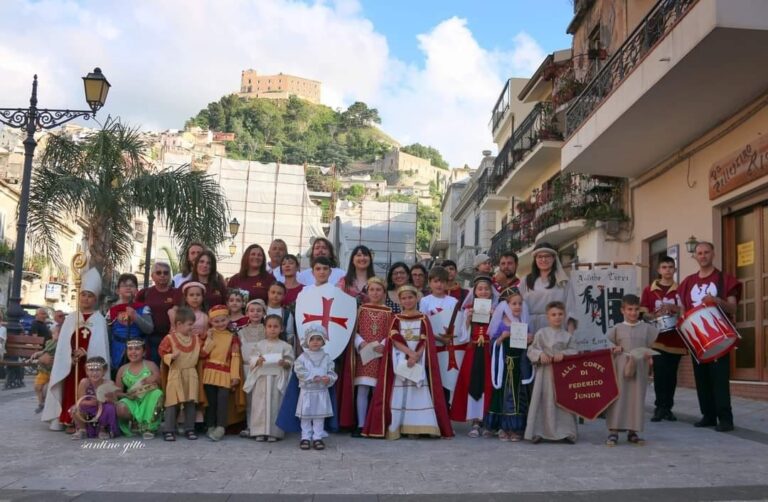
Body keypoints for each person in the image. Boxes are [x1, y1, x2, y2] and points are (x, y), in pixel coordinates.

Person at [363, 285, 453, 440]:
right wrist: (409, 354)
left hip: (420, 357)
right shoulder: (396, 319)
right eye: (404, 298)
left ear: (416, 298)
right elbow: (395, 339)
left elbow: (426, 339)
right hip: (402, 358)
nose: (407, 301)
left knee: (418, 392)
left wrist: (416, 355)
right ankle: (400, 426)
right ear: (399, 300)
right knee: (400, 393)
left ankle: (419, 427)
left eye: (410, 297)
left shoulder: (423, 318)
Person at [678, 241, 741, 432]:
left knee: (719, 379)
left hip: (718, 335)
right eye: (699, 253)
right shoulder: (688, 282)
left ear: (713, 254)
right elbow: (683, 310)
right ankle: (708, 415)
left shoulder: (724, 279)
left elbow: (733, 308)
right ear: (695, 256)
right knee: (702, 378)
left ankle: (725, 418)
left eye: (706, 252)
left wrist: (717, 300)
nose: (703, 256)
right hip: (696, 336)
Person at [42, 268, 110, 433]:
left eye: (90, 296)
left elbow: (100, 346)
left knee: (88, 391)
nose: (86, 298)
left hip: (89, 367)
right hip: (72, 366)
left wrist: (88, 354)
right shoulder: (71, 318)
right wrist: (70, 356)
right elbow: (64, 344)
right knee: (70, 390)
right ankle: (69, 419)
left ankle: (86, 420)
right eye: (83, 294)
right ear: (79, 296)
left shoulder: (99, 320)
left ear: (95, 299)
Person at [339, 276, 391, 434]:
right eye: (372, 289)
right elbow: (354, 330)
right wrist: (360, 343)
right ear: (367, 291)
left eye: (378, 290)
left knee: (378, 391)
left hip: (381, 355)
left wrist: (383, 344)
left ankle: (375, 424)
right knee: (362, 389)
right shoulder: (360, 310)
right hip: (363, 356)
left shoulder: (389, 312)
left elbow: (391, 332)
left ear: (384, 292)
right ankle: (361, 424)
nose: (375, 293)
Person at [605, 295, 658, 446]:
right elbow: (608, 345)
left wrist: (649, 355)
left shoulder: (647, 328)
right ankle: (613, 431)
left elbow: (649, 347)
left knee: (636, 398)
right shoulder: (616, 328)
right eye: (629, 309)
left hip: (640, 366)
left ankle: (632, 431)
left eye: (636, 309)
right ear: (623, 310)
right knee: (618, 397)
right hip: (621, 365)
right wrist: (614, 348)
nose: (633, 313)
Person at [524, 301, 578, 444]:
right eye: (553, 314)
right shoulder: (542, 333)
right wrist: (540, 354)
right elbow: (531, 350)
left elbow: (575, 351)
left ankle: (566, 431)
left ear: (564, 316)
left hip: (563, 374)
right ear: (548, 317)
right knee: (543, 400)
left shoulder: (567, 336)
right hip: (545, 374)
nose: (557, 317)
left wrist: (564, 354)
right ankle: (538, 431)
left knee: (563, 401)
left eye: (560, 314)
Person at [640, 255, 686, 422]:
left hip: (675, 338)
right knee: (660, 373)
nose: (667, 270)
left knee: (672, 375)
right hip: (656, 337)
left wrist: (674, 308)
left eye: (670, 267)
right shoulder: (649, 290)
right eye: (664, 267)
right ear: (659, 270)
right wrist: (652, 315)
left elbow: (686, 311)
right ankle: (659, 407)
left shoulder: (681, 289)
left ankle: (668, 408)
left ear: (674, 269)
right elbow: (643, 312)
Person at [451, 276, 495, 434]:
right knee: (472, 382)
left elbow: (498, 332)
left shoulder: (496, 309)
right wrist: (468, 321)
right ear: (475, 291)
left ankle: (488, 420)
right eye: (480, 289)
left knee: (489, 383)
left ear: (491, 292)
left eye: (486, 289)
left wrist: (493, 317)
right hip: (473, 349)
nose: (483, 292)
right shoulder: (468, 309)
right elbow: (463, 336)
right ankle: (475, 421)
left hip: (489, 352)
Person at [486, 287, 531, 442]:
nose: (517, 306)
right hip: (504, 365)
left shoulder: (523, 322)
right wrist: (502, 338)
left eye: (520, 303)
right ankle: (503, 427)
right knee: (503, 395)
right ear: (507, 305)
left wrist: (530, 339)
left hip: (519, 365)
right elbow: (492, 344)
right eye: (514, 304)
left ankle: (516, 428)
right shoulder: (502, 323)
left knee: (518, 395)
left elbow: (528, 344)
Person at [243, 314, 294, 441]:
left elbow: (290, 361)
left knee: (275, 405)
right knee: (259, 406)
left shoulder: (285, 346)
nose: (272, 329)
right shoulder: (260, 345)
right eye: (269, 326)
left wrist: (285, 363)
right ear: (265, 328)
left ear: (281, 329)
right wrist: (257, 360)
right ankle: (259, 431)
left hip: (276, 379)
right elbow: (252, 360)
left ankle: (274, 432)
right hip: (262, 379)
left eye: (275, 326)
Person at [200, 305, 245, 441]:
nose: (220, 324)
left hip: (225, 372)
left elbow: (235, 357)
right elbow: (203, 353)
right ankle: (210, 425)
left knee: (223, 400)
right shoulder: (209, 334)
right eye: (216, 321)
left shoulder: (233, 337)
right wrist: (209, 339)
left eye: (223, 320)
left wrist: (235, 376)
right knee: (211, 401)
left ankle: (221, 426)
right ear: (211, 322)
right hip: (209, 372)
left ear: (228, 319)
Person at [419, 266, 460, 409]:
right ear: (429, 282)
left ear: (447, 283)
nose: (439, 285)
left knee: (445, 381)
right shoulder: (425, 301)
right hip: (431, 346)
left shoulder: (453, 301)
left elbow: (456, 323)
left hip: (447, 347)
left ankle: (444, 416)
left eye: (442, 281)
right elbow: (423, 324)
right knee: (431, 380)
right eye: (436, 281)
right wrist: (437, 337)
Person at [159, 307, 201, 441]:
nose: (192, 327)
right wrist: (171, 356)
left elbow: (203, 353)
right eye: (190, 324)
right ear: (179, 324)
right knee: (171, 402)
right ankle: (169, 429)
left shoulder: (196, 339)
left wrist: (210, 340)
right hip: (175, 373)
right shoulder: (169, 338)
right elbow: (161, 352)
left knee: (190, 401)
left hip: (191, 373)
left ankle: (189, 428)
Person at [294, 325, 337, 450]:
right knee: (306, 416)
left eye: (319, 339)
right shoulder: (303, 357)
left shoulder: (326, 357)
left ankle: (317, 437)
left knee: (319, 416)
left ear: (323, 341)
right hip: (307, 392)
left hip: (321, 392)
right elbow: (299, 371)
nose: (315, 342)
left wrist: (328, 378)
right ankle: (305, 437)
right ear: (308, 341)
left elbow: (331, 371)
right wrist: (313, 377)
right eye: (312, 339)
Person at [114, 338, 164, 439]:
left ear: (144, 352)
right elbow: (117, 392)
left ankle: (149, 427)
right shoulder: (122, 369)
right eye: (130, 349)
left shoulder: (151, 365)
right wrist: (126, 395)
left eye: (137, 349)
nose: (133, 352)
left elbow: (161, 384)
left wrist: (151, 380)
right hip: (133, 400)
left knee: (157, 393)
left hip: (149, 399)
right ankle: (135, 423)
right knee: (120, 407)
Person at [519, 243, 573, 333]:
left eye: (547, 256)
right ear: (535, 259)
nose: (543, 259)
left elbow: (570, 310)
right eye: (539, 257)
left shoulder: (563, 281)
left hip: (555, 328)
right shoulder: (526, 280)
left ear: (553, 258)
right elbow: (519, 307)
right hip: (530, 329)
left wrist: (570, 335)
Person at [107, 273, 153, 375]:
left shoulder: (144, 308)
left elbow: (149, 329)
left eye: (131, 285)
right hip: (117, 351)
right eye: (124, 285)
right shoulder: (112, 311)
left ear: (136, 290)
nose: (128, 287)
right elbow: (107, 334)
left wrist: (135, 315)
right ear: (118, 290)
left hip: (138, 350)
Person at [136, 261, 181, 365]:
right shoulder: (144, 293)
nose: (162, 275)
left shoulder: (177, 293)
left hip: (171, 339)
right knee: (153, 369)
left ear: (170, 275)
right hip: (150, 340)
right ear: (152, 275)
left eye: (166, 273)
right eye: (159, 272)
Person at [69, 356, 119, 440]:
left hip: (103, 409)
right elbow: (80, 401)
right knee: (75, 408)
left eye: (98, 370)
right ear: (86, 371)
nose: (94, 373)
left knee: (109, 408)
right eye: (91, 370)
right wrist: (90, 403)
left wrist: (104, 400)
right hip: (89, 409)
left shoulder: (109, 383)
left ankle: (103, 429)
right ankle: (82, 430)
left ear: (104, 371)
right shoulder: (84, 382)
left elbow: (114, 401)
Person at [238, 298, 266, 438]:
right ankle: (249, 426)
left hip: (262, 368)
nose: (255, 313)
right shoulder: (241, 331)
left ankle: (261, 427)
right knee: (249, 399)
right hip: (247, 368)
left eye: (259, 311)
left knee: (261, 398)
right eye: (252, 310)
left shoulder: (268, 330)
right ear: (247, 312)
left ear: (264, 313)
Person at [31, 327, 59, 413]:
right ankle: (41, 403)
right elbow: (44, 352)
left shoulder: (59, 344)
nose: (55, 335)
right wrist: (37, 354)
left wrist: (39, 359)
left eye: (56, 333)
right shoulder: (50, 343)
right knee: (37, 386)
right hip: (45, 370)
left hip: (52, 371)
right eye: (53, 334)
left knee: (43, 387)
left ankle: (43, 403)